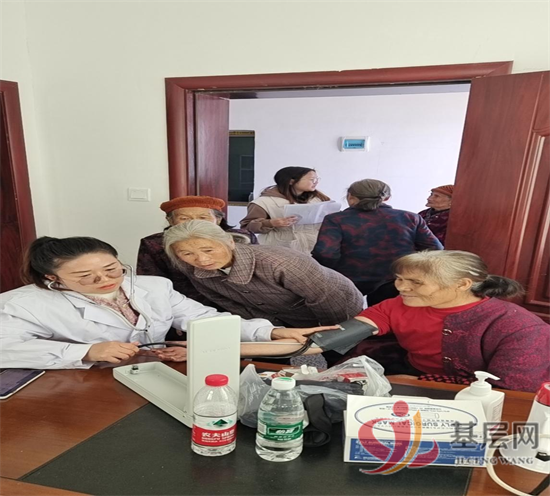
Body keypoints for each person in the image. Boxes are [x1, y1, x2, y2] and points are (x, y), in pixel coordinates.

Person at [0, 236, 337, 369]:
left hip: (153, 371)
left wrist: (269, 332)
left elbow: (204, 319)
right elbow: (5, 349)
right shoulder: (22, 304)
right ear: (53, 279)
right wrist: (86, 352)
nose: (104, 280)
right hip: (81, 383)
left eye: (112, 268)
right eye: (86, 277)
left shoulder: (153, 287)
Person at [343, 250, 550, 392]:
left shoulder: (520, 328)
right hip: (412, 376)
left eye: (416, 282)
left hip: (478, 395)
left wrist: (421, 382)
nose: (401, 287)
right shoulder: (403, 303)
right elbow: (367, 321)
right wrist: (329, 337)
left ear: (462, 284)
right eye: (399, 278)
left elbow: (512, 389)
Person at [164, 220, 364, 329]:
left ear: (230, 242)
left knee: (340, 352)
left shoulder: (280, 262)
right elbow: (225, 300)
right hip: (279, 313)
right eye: (187, 253)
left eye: (208, 250)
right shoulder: (190, 267)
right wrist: (269, 329)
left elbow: (325, 297)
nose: (201, 260)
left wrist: (330, 334)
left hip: (336, 303)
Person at [312, 179, 442, 306]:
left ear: (351, 197)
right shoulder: (410, 217)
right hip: (396, 279)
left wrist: (330, 274)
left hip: (348, 280)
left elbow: (325, 253)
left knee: (346, 317)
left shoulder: (336, 219)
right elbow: (435, 249)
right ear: (387, 198)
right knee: (386, 317)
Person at [137, 196, 257, 304]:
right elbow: (151, 282)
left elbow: (257, 269)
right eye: (184, 218)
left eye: (203, 217)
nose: (195, 222)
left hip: (242, 300)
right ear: (171, 221)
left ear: (218, 219)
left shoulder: (241, 237)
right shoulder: (154, 243)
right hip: (187, 304)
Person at [240, 166, 330, 254]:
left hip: (314, 249)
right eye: (312, 179)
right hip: (279, 251)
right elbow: (247, 227)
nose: (316, 182)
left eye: (317, 179)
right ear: (291, 181)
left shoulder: (318, 198)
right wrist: (271, 223)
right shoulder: (263, 202)